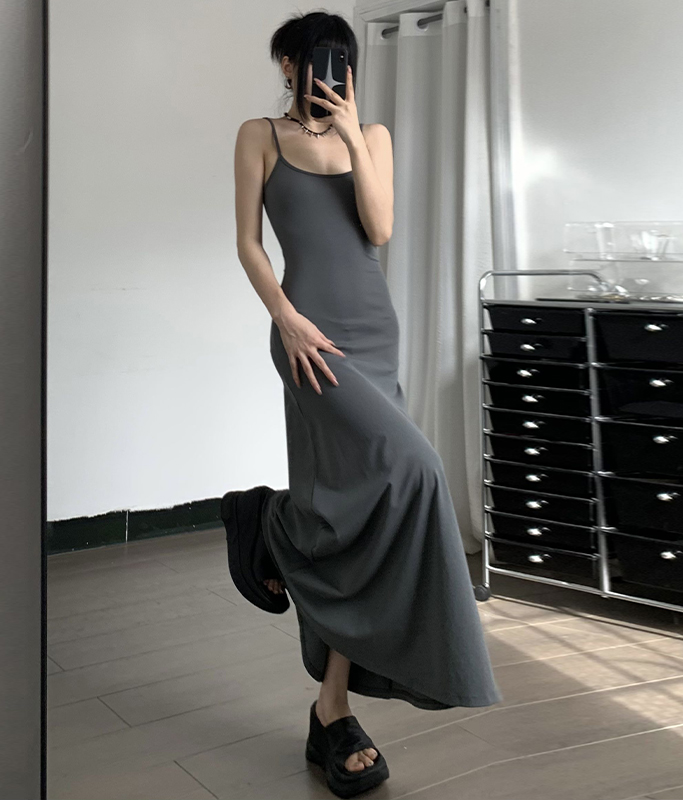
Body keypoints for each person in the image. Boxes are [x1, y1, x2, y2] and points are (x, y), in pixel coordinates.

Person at [225, 11, 502, 798]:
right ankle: (273, 525)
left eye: (342, 59)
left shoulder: (371, 136)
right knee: (416, 468)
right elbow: (247, 241)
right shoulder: (258, 135)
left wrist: (350, 135)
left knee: (368, 510)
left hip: (374, 332)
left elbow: (378, 228)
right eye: (317, 57)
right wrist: (285, 316)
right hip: (306, 330)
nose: (330, 70)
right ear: (288, 63)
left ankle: (333, 710)